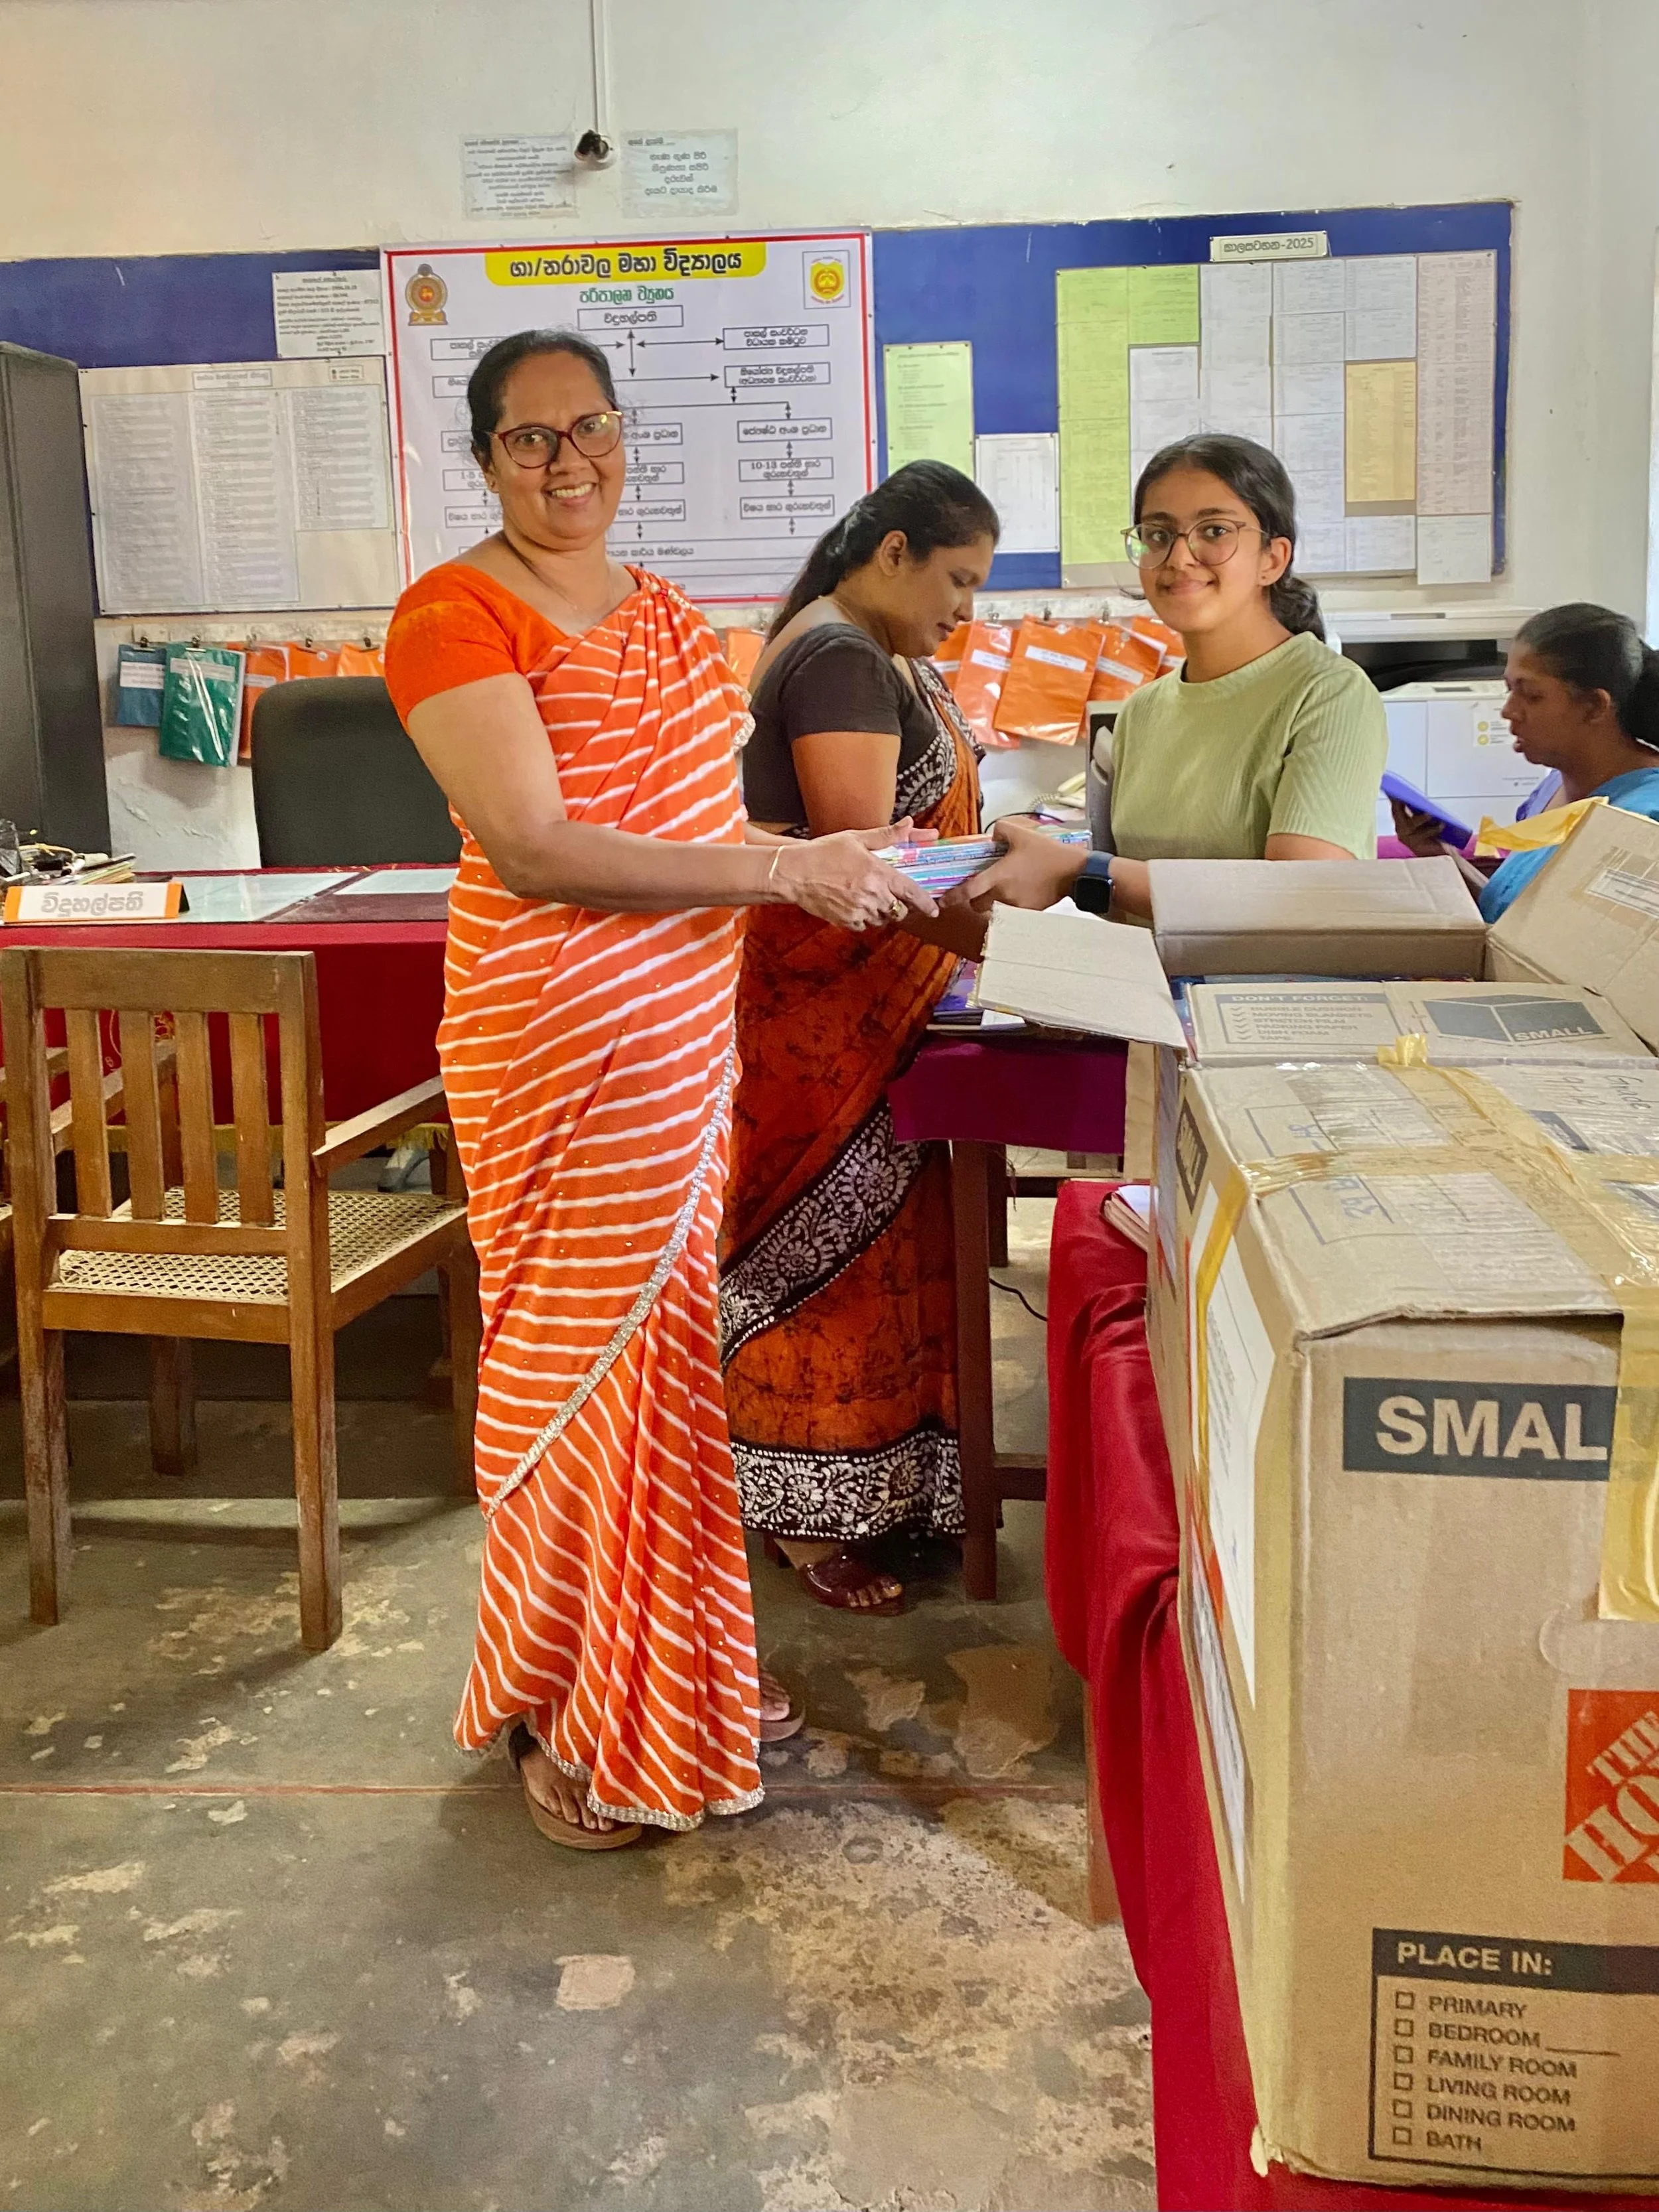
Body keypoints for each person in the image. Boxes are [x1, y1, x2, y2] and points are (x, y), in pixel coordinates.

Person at [384, 329, 937, 1848]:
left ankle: (672, 1667)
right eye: (530, 438)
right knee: (572, 1367)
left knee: (667, 1366)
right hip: (553, 1039)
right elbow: (534, 848)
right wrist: (781, 873)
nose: (569, 462)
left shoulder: (669, 616)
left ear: (623, 435)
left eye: (592, 428)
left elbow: (696, 829)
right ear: (486, 459)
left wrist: (817, 863)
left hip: (681, 1045)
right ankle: (563, 1697)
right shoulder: (452, 612)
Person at [720, 464, 997, 1614]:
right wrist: (1013, 919)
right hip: (823, 1021)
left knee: (883, 1256)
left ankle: (888, 1487)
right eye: (956, 580)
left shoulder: (872, 647)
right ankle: (801, 1515)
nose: (966, 609)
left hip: (874, 1014)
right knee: (822, 1270)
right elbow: (864, 871)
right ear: (892, 552)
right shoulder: (839, 656)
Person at [956, 434, 1387, 918]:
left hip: (1268, 973)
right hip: (1140, 968)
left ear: (1273, 559)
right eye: (1159, 535)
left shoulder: (1329, 693)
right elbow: (1123, 903)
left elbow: (1301, 898)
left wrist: (1082, 871)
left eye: (1215, 531)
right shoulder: (1141, 712)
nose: (1180, 558)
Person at [1390, 602, 1659, 920]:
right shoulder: (1554, 787)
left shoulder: (1642, 821)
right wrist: (1442, 856)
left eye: (1531, 695)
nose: (1508, 711)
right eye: (1509, 690)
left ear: (1594, 706)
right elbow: (1511, 915)